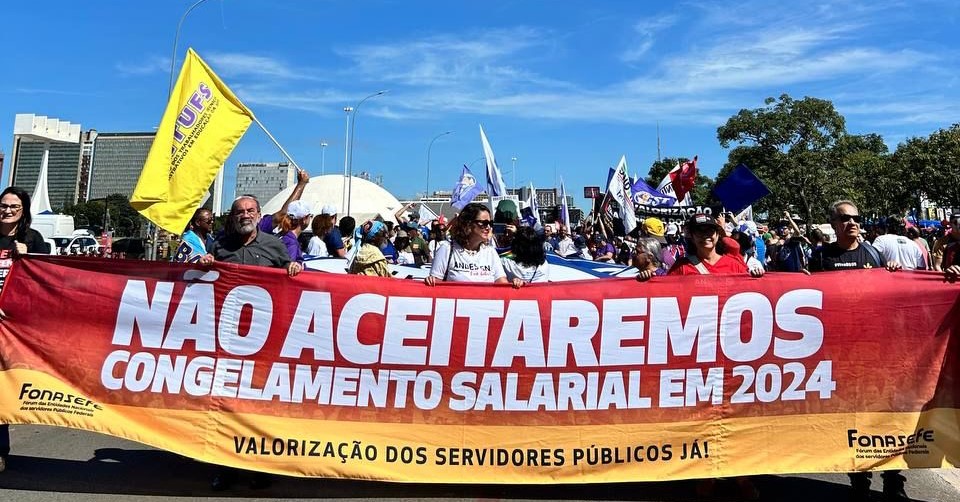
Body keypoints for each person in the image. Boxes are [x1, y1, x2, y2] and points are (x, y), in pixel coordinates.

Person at [198, 196, 300, 490]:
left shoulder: (274, 246)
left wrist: (294, 268)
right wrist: (205, 264)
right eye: (239, 211)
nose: (245, 215)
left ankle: (260, 466)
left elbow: (292, 276)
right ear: (233, 217)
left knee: (259, 405)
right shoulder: (219, 246)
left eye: (250, 210)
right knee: (224, 404)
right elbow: (204, 282)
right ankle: (225, 466)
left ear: (258, 214)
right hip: (227, 338)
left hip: (264, 339)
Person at [808, 201, 905, 502]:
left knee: (886, 416)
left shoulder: (874, 255)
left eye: (856, 218)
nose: (852, 222)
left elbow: (892, 295)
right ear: (833, 223)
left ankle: (893, 480)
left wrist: (894, 273)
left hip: (876, 350)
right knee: (852, 419)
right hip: (841, 353)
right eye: (845, 218)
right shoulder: (821, 257)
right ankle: (859, 480)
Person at [0, 186, 49, 473]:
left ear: (23, 211)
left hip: (13, 326)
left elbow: (48, 277)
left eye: (13, 207)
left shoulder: (33, 239)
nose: (7, 211)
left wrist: (30, 256)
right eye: (3, 205)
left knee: (4, 387)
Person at [424, 202, 520, 287]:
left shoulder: (490, 252)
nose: (488, 227)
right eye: (484, 223)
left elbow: (502, 284)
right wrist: (431, 281)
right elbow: (436, 286)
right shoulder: (447, 249)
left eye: (490, 223)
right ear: (468, 224)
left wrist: (515, 283)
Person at [667, 213, 764, 277]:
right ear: (692, 236)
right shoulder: (681, 267)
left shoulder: (734, 265)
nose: (705, 235)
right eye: (699, 231)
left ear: (717, 235)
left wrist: (757, 277)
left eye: (710, 231)